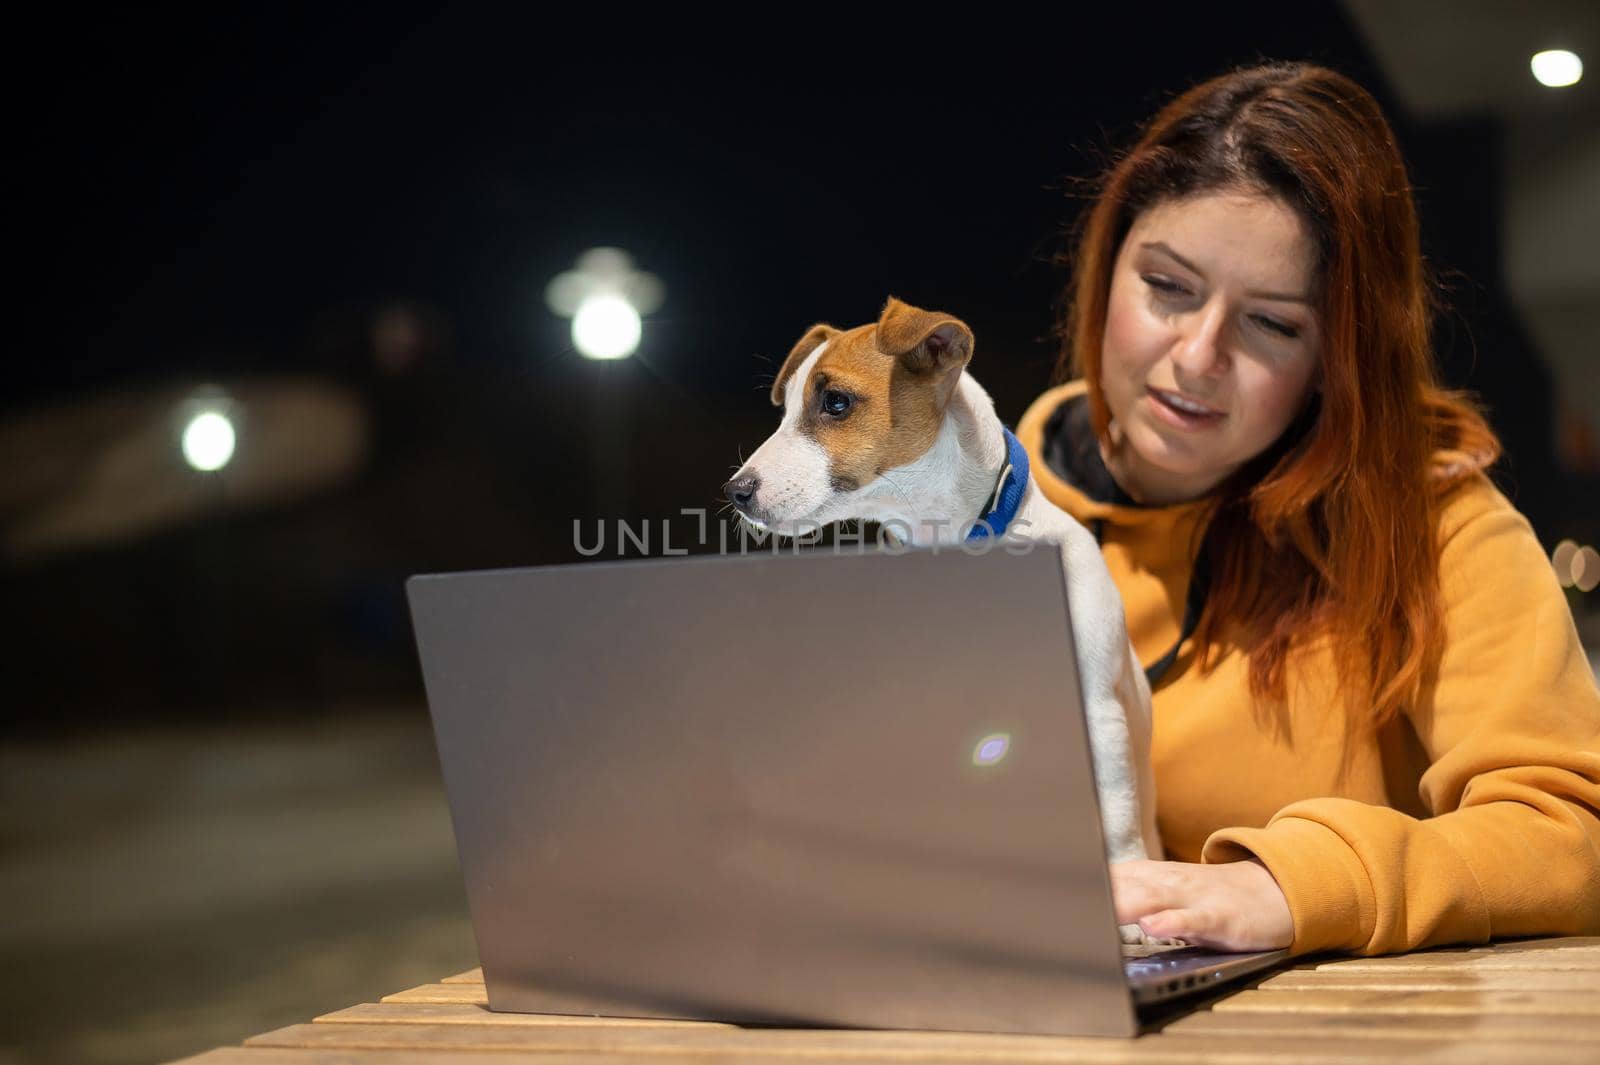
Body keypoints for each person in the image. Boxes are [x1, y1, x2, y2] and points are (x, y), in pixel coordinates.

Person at [1017, 61, 1600, 956]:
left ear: (1340, 355)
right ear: (1107, 268)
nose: (1198, 356)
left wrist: (1291, 885)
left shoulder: (1430, 524)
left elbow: (1572, 833)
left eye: (1273, 325)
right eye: (1168, 286)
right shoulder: (996, 516)